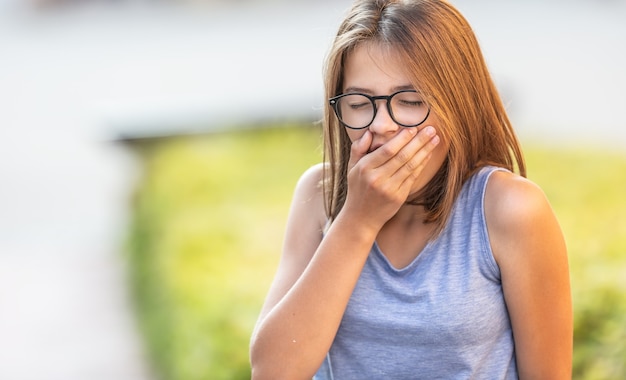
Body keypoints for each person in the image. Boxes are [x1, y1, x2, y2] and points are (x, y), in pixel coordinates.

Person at [249, 0, 572, 378]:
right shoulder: (319, 196)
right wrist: (356, 221)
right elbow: (272, 371)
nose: (382, 125)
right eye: (358, 103)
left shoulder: (510, 209)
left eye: (410, 101)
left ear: (459, 103)